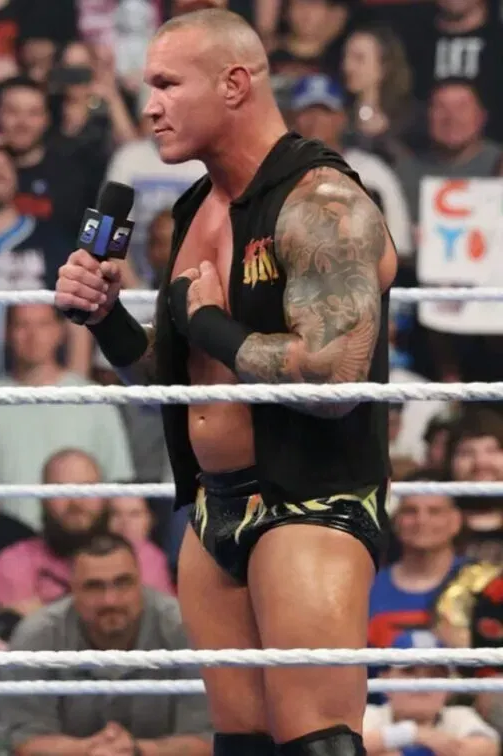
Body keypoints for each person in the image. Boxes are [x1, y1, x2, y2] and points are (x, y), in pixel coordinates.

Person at [54, 9, 398, 756]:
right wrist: (108, 318)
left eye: (168, 84)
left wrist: (208, 321)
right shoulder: (194, 209)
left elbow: (334, 379)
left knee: (317, 740)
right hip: (215, 511)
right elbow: (172, 377)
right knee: (241, 746)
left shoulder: (323, 205)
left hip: (308, 499)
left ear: (235, 83)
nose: (149, 106)